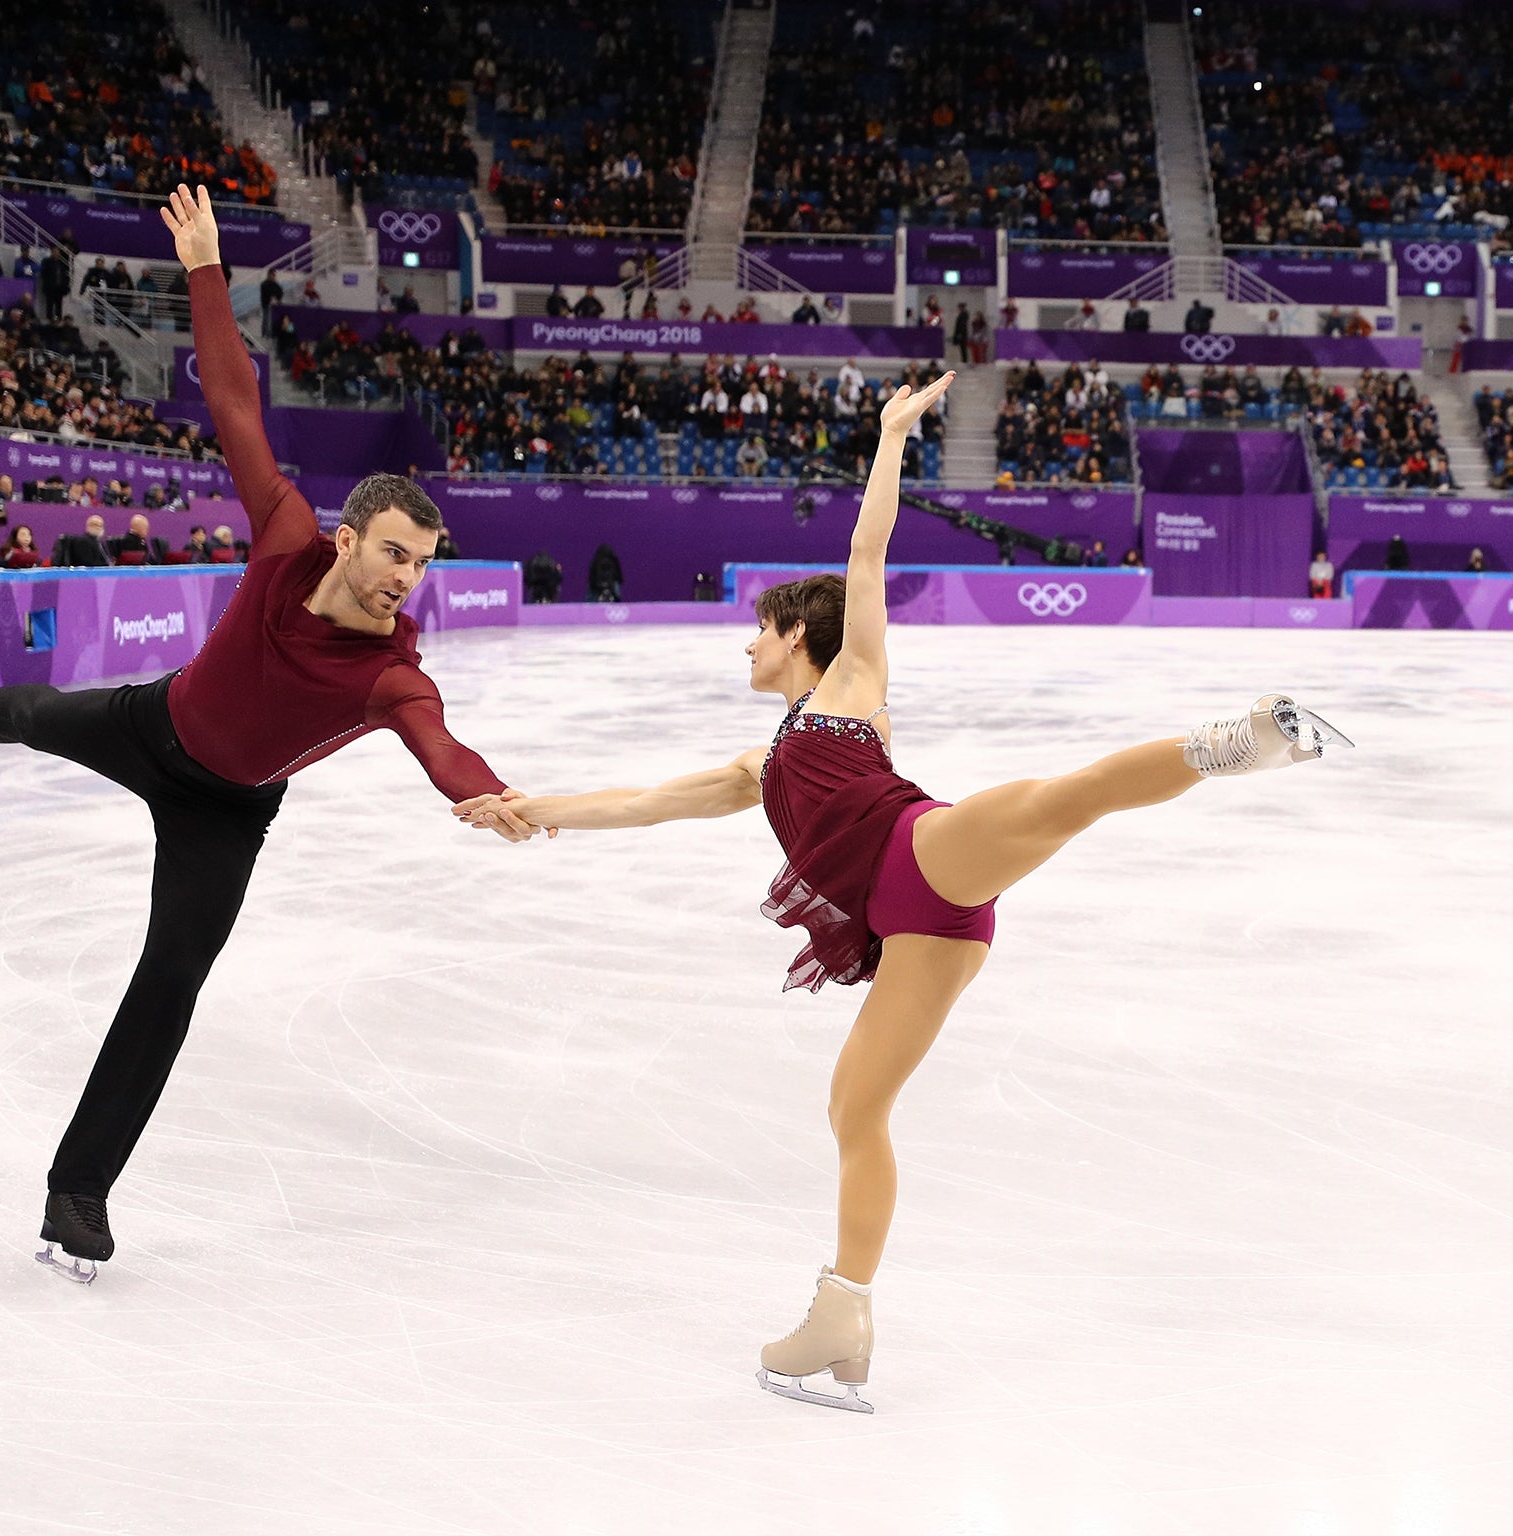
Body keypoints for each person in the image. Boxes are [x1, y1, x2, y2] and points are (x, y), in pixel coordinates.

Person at [453, 373, 1352, 1412]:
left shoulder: (851, 688)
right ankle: (843, 1314)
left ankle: (1250, 738)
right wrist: (535, 806)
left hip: (924, 855)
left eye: (757, 628)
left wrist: (888, 438)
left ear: (797, 637)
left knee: (1064, 797)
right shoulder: (763, 760)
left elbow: (867, 553)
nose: (744, 642)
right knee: (853, 1106)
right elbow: (650, 801)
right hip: (922, 925)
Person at [0, 184, 532, 1284]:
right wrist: (204, 268)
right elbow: (234, 402)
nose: (405, 580)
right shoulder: (284, 534)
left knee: (166, 984)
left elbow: (439, 745)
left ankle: (76, 1193)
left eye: (421, 562)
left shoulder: (389, 672)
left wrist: (485, 790)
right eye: (392, 555)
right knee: (28, 715)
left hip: (225, 815)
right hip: (151, 721)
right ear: (346, 540)